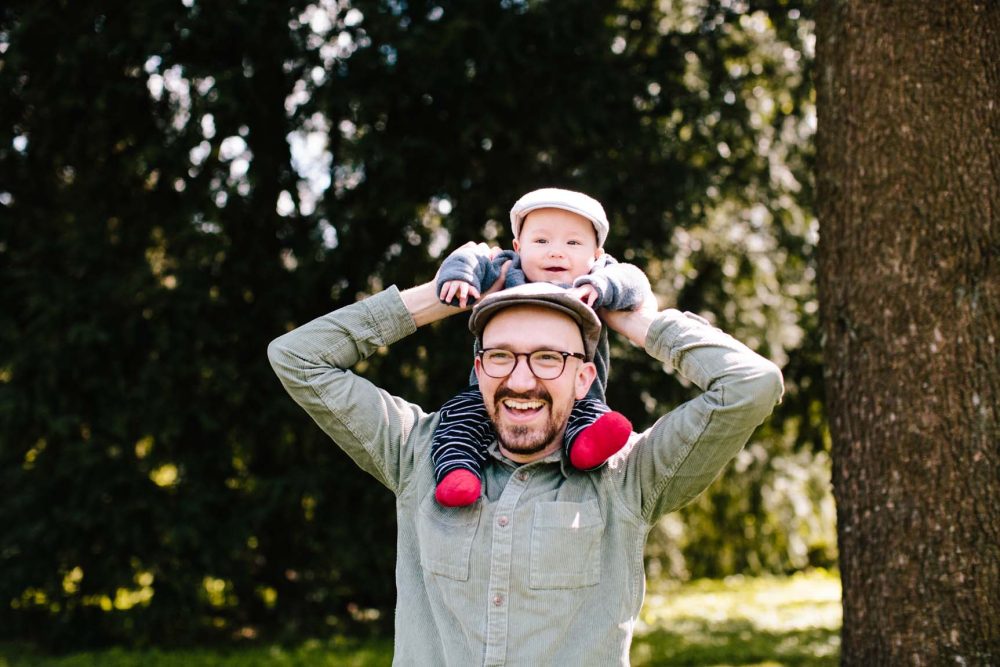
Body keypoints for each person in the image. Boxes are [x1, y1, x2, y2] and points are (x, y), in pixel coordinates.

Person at [268, 269, 784, 665]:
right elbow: (297, 357)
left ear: (584, 378)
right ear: (479, 369)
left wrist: (636, 320)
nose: (520, 379)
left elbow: (751, 386)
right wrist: (443, 294)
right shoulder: (415, 452)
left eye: (547, 358)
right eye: (501, 357)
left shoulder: (631, 475)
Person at [432, 188, 649, 507]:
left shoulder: (598, 277)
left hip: (575, 395)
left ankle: (585, 448)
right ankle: (458, 472)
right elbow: (471, 256)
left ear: (597, 254)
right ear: (518, 248)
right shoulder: (508, 269)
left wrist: (601, 287)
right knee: (458, 418)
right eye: (541, 241)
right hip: (490, 392)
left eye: (573, 243)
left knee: (590, 414)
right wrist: (461, 278)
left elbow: (635, 281)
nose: (556, 252)